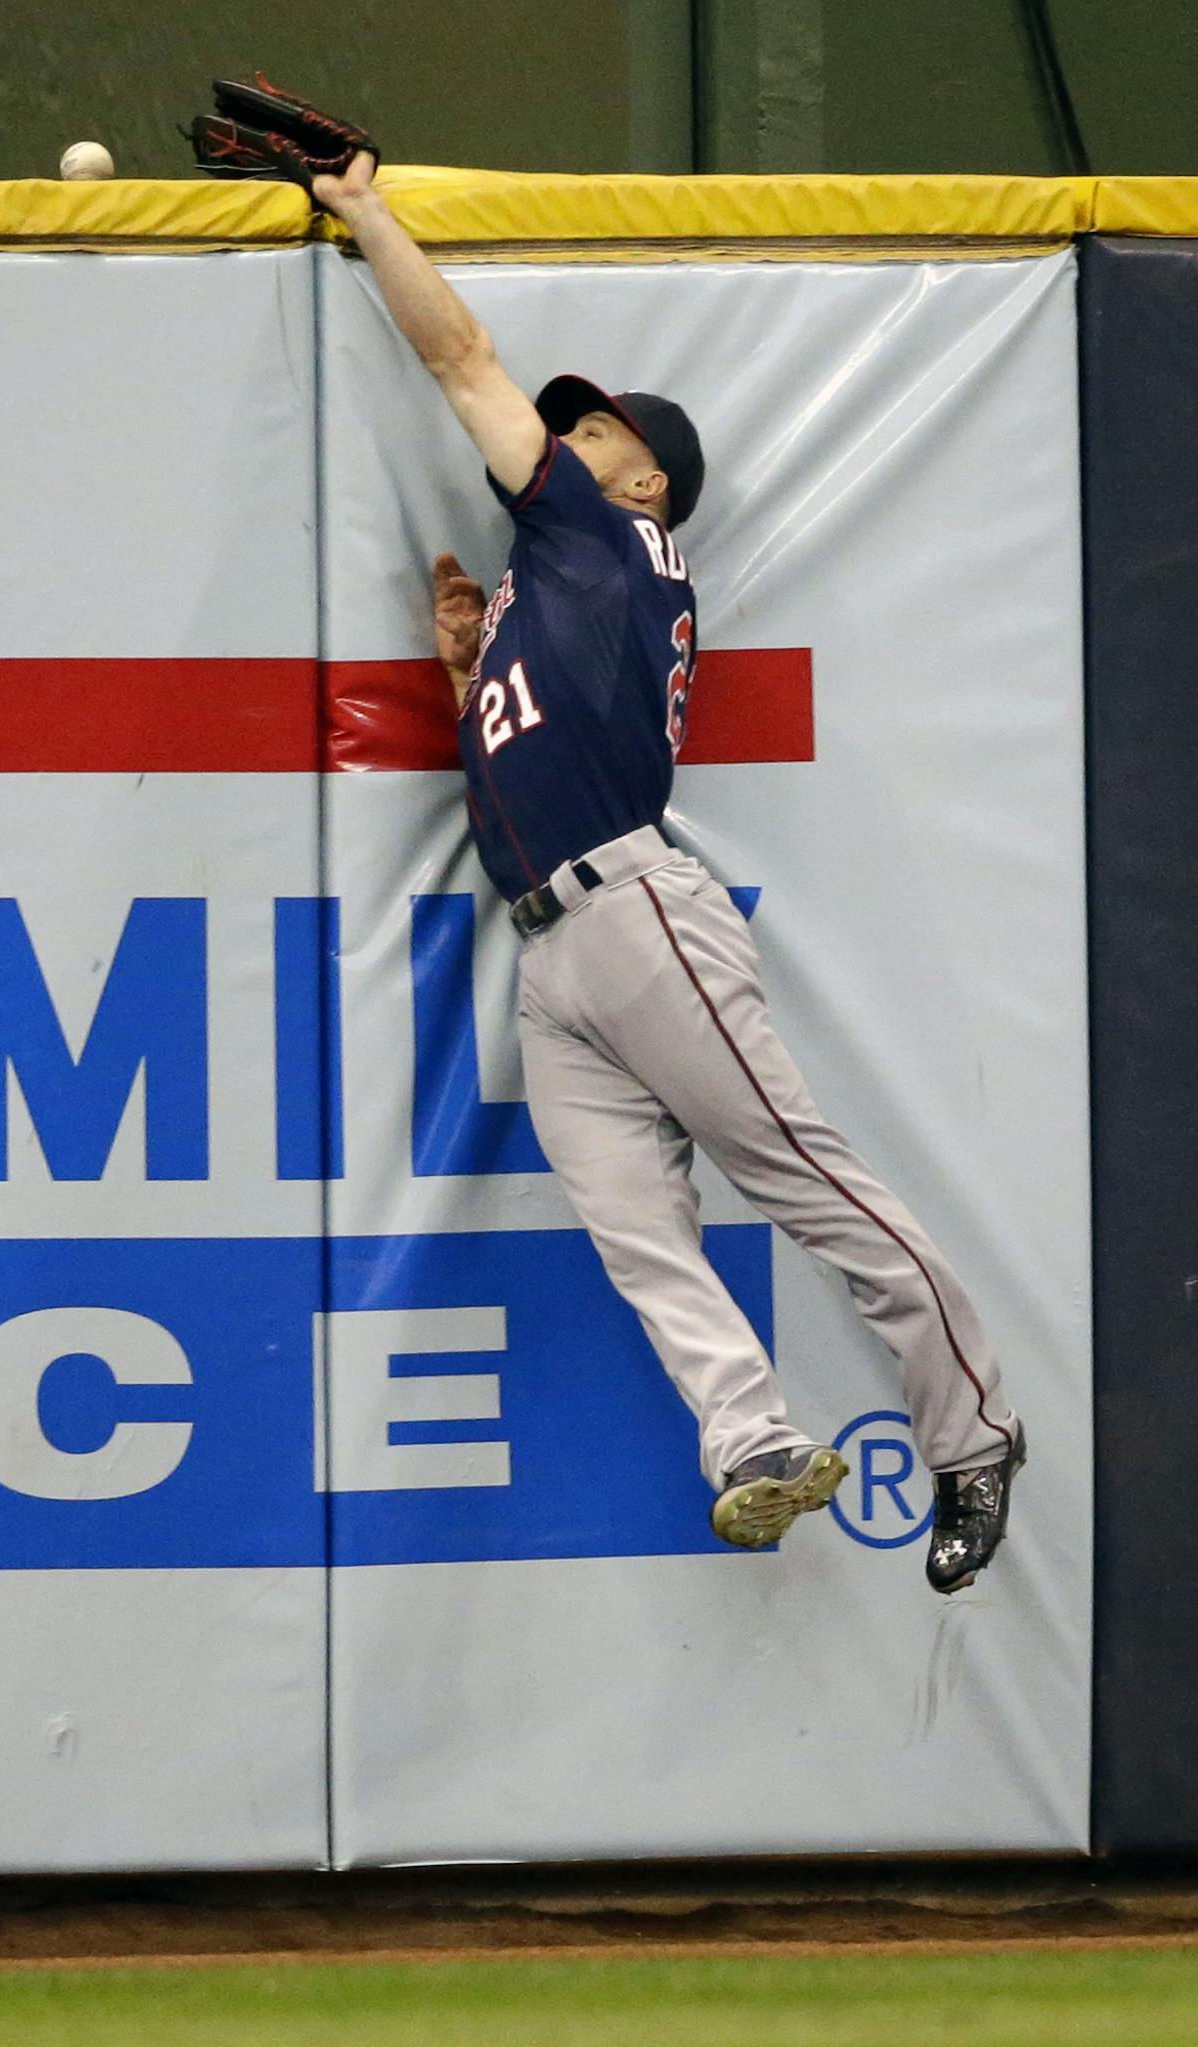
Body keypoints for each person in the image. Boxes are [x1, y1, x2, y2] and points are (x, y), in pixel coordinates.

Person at [312, 151, 1025, 1593]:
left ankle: (977, 1433)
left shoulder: (605, 529)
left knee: (797, 1173)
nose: (558, 440)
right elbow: (546, 738)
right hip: (557, 955)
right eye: (567, 434)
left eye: (592, 436)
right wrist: (473, 672)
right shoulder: (564, 576)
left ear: (647, 483)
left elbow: (459, 356)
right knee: (638, 1230)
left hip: (638, 916)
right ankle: (754, 1444)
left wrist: (365, 208)